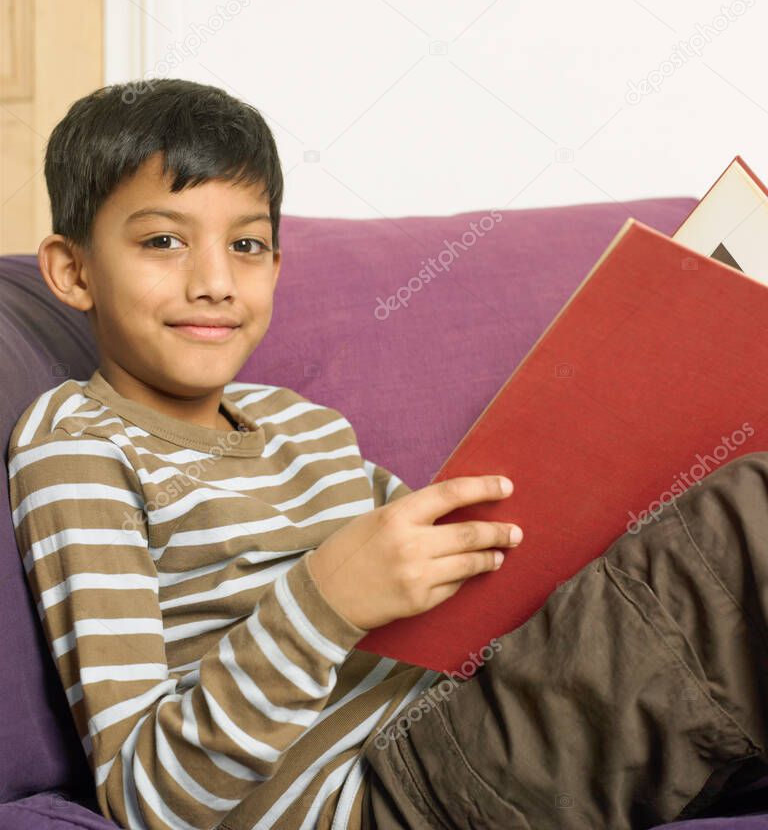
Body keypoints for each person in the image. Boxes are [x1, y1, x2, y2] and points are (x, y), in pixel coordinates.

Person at [8, 78, 768, 830]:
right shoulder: (79, 446)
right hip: (385, 786)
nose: (214, 283)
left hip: (480, 703)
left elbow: (462, 594)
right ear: (74, 272)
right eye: (163, 241)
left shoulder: (304, 425)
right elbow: (147, 799)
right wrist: (324, 603)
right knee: (754, 510)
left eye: (246, 245)